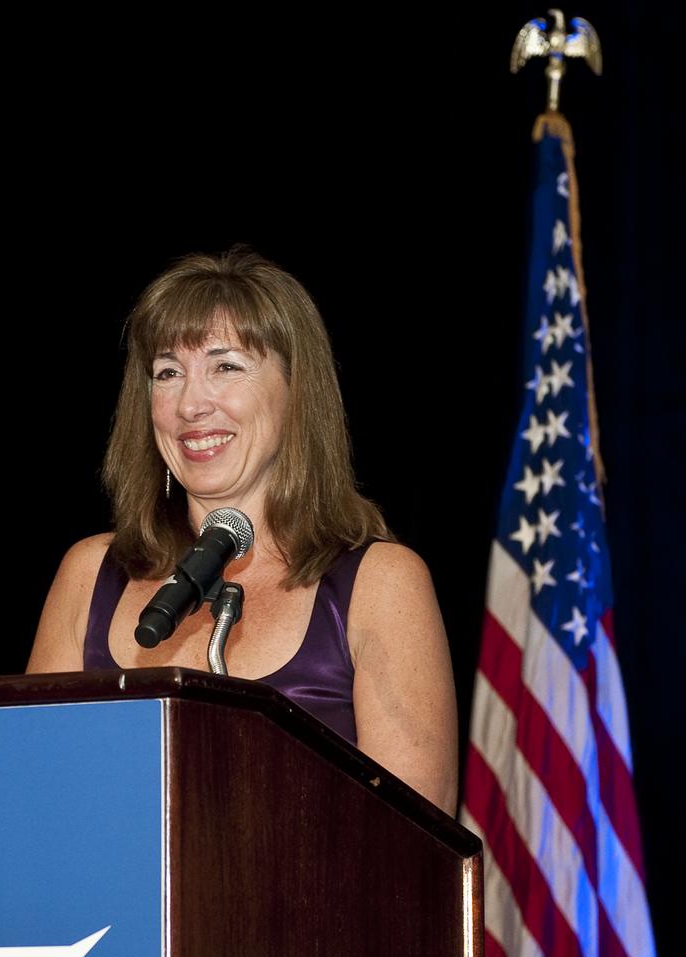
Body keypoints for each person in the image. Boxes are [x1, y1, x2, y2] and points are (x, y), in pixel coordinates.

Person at [27, 248, 458, 814]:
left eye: (226, 367)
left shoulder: (381, 583)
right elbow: (31, 800)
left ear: (295, 391)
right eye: (168, 373)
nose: (190, 405)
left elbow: (418, 841)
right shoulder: (91, 574)